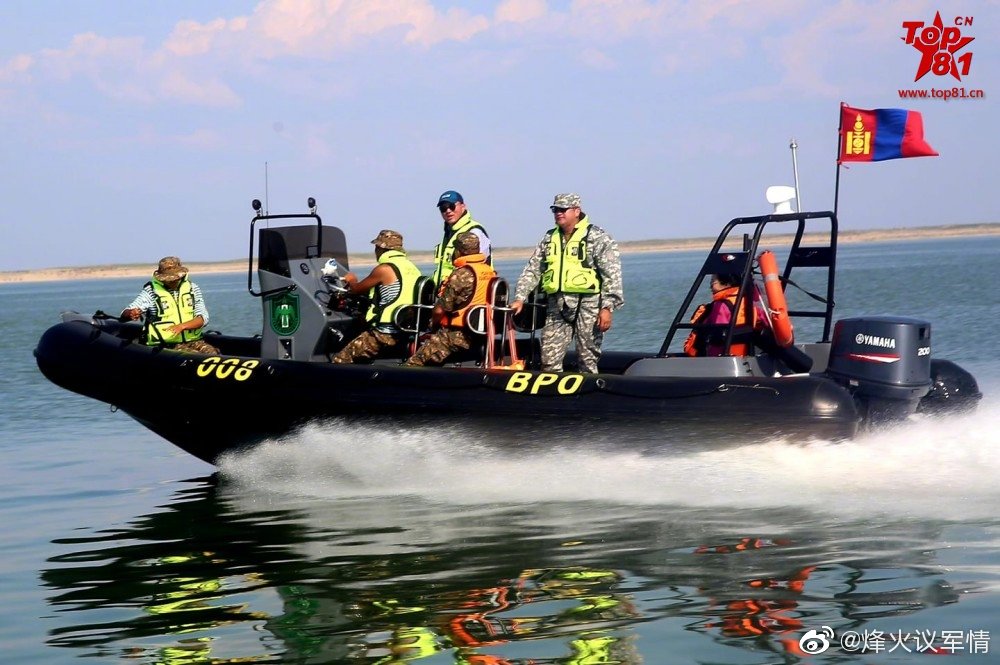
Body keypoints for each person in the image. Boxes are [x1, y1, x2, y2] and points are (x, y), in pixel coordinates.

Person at [509, 193, 623, 374]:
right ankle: (552, 396)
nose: (558, 213)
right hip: (557, 305)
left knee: (587, 357)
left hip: (588, 304)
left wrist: (607, 307)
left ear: (576, 211)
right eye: (555, 209)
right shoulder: (549, 238)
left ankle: (589, 395)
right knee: (548, 358)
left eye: (563, 209)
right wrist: (520, 298)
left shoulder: (597, 237)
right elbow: (532, 270)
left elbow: (612, 275)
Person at [404, 232, 496, 367]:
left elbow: (440, 310)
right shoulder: (489, 271)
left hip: (456, 335)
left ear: (458, 251)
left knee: (414, 364)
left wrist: (432, 326)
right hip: (481, 333)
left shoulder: (461, 274)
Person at [331, 230, 423, 364]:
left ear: (382, 248)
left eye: (376, 247)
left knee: (340, 360)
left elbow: (356, 289)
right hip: (405, 327)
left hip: (385, 331)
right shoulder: (412, 267)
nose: (375, 250)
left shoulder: (384, 269)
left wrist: (351, 279)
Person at [122, 256, 219, 354]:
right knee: (193, 356)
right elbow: (126, 313)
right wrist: (130, 313)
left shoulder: (193, 289)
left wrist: (181, 326)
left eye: (174, 278)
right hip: (164, 345)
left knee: (213, 354)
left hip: (193, 341)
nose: (171, 281)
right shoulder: (151, 291)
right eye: (167, 279)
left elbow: (203, 319)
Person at [683, 273, 768, 357]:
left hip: (719, 355)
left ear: (727, 283)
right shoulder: (750, 302)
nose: (710, 286)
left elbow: (718, 334)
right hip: (746, 352)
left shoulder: (720, 305)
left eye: (713, 281)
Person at [431, 190, 491, 287]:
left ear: (463, 206)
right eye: (443, 208)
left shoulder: (474, 231)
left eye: (451, 206)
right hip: (448, 293)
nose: (448, 211)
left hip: (467, 294)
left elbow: (481, 265)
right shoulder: (448, 233)